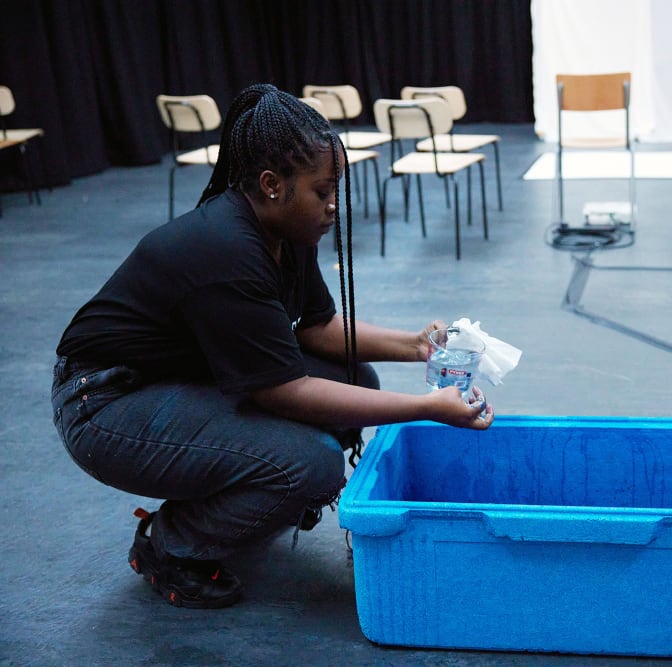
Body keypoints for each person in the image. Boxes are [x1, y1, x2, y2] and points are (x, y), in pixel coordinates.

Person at [50, 83, 494, 610]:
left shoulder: (284, 229)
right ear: (272, 185)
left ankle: (240, 495)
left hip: (170, 380)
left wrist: (415, 345)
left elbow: (319, 328)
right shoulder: (227, 250)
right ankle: (172, 543)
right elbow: (283, 393)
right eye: (323, 192)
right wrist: (426, 409)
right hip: (103, 406)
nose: (333, 207)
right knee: (310, 465)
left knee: (355, 379)